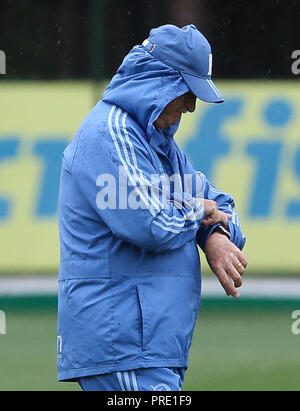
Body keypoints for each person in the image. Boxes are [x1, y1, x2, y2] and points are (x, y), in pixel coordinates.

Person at [57, 24, 247, 391]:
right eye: (188, 91)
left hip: (150, 348)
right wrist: (197, 212)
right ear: (160, 80)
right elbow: (150, 222)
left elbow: (220, 204)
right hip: (124, 343)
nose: (191, 106)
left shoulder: (157, 143)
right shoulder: (110, 133)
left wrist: (215, 235)